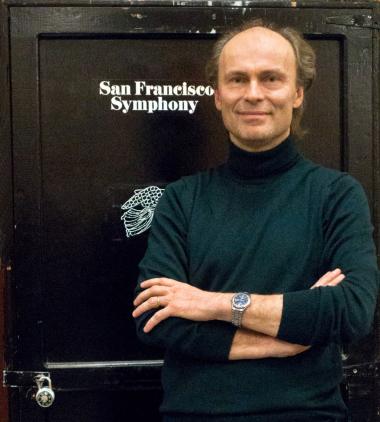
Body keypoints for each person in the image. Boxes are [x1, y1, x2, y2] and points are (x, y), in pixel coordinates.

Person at [132, 19, 379, 422]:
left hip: (306, 415)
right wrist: (288, 336)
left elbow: (350, 311)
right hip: (195, 416)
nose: (253, 94)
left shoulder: (337, 195)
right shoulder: (181, 200)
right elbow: (154, 320)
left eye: (270, 79)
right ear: (217, 95)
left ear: (297, 93)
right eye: (237, 79)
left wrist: (210, 304)